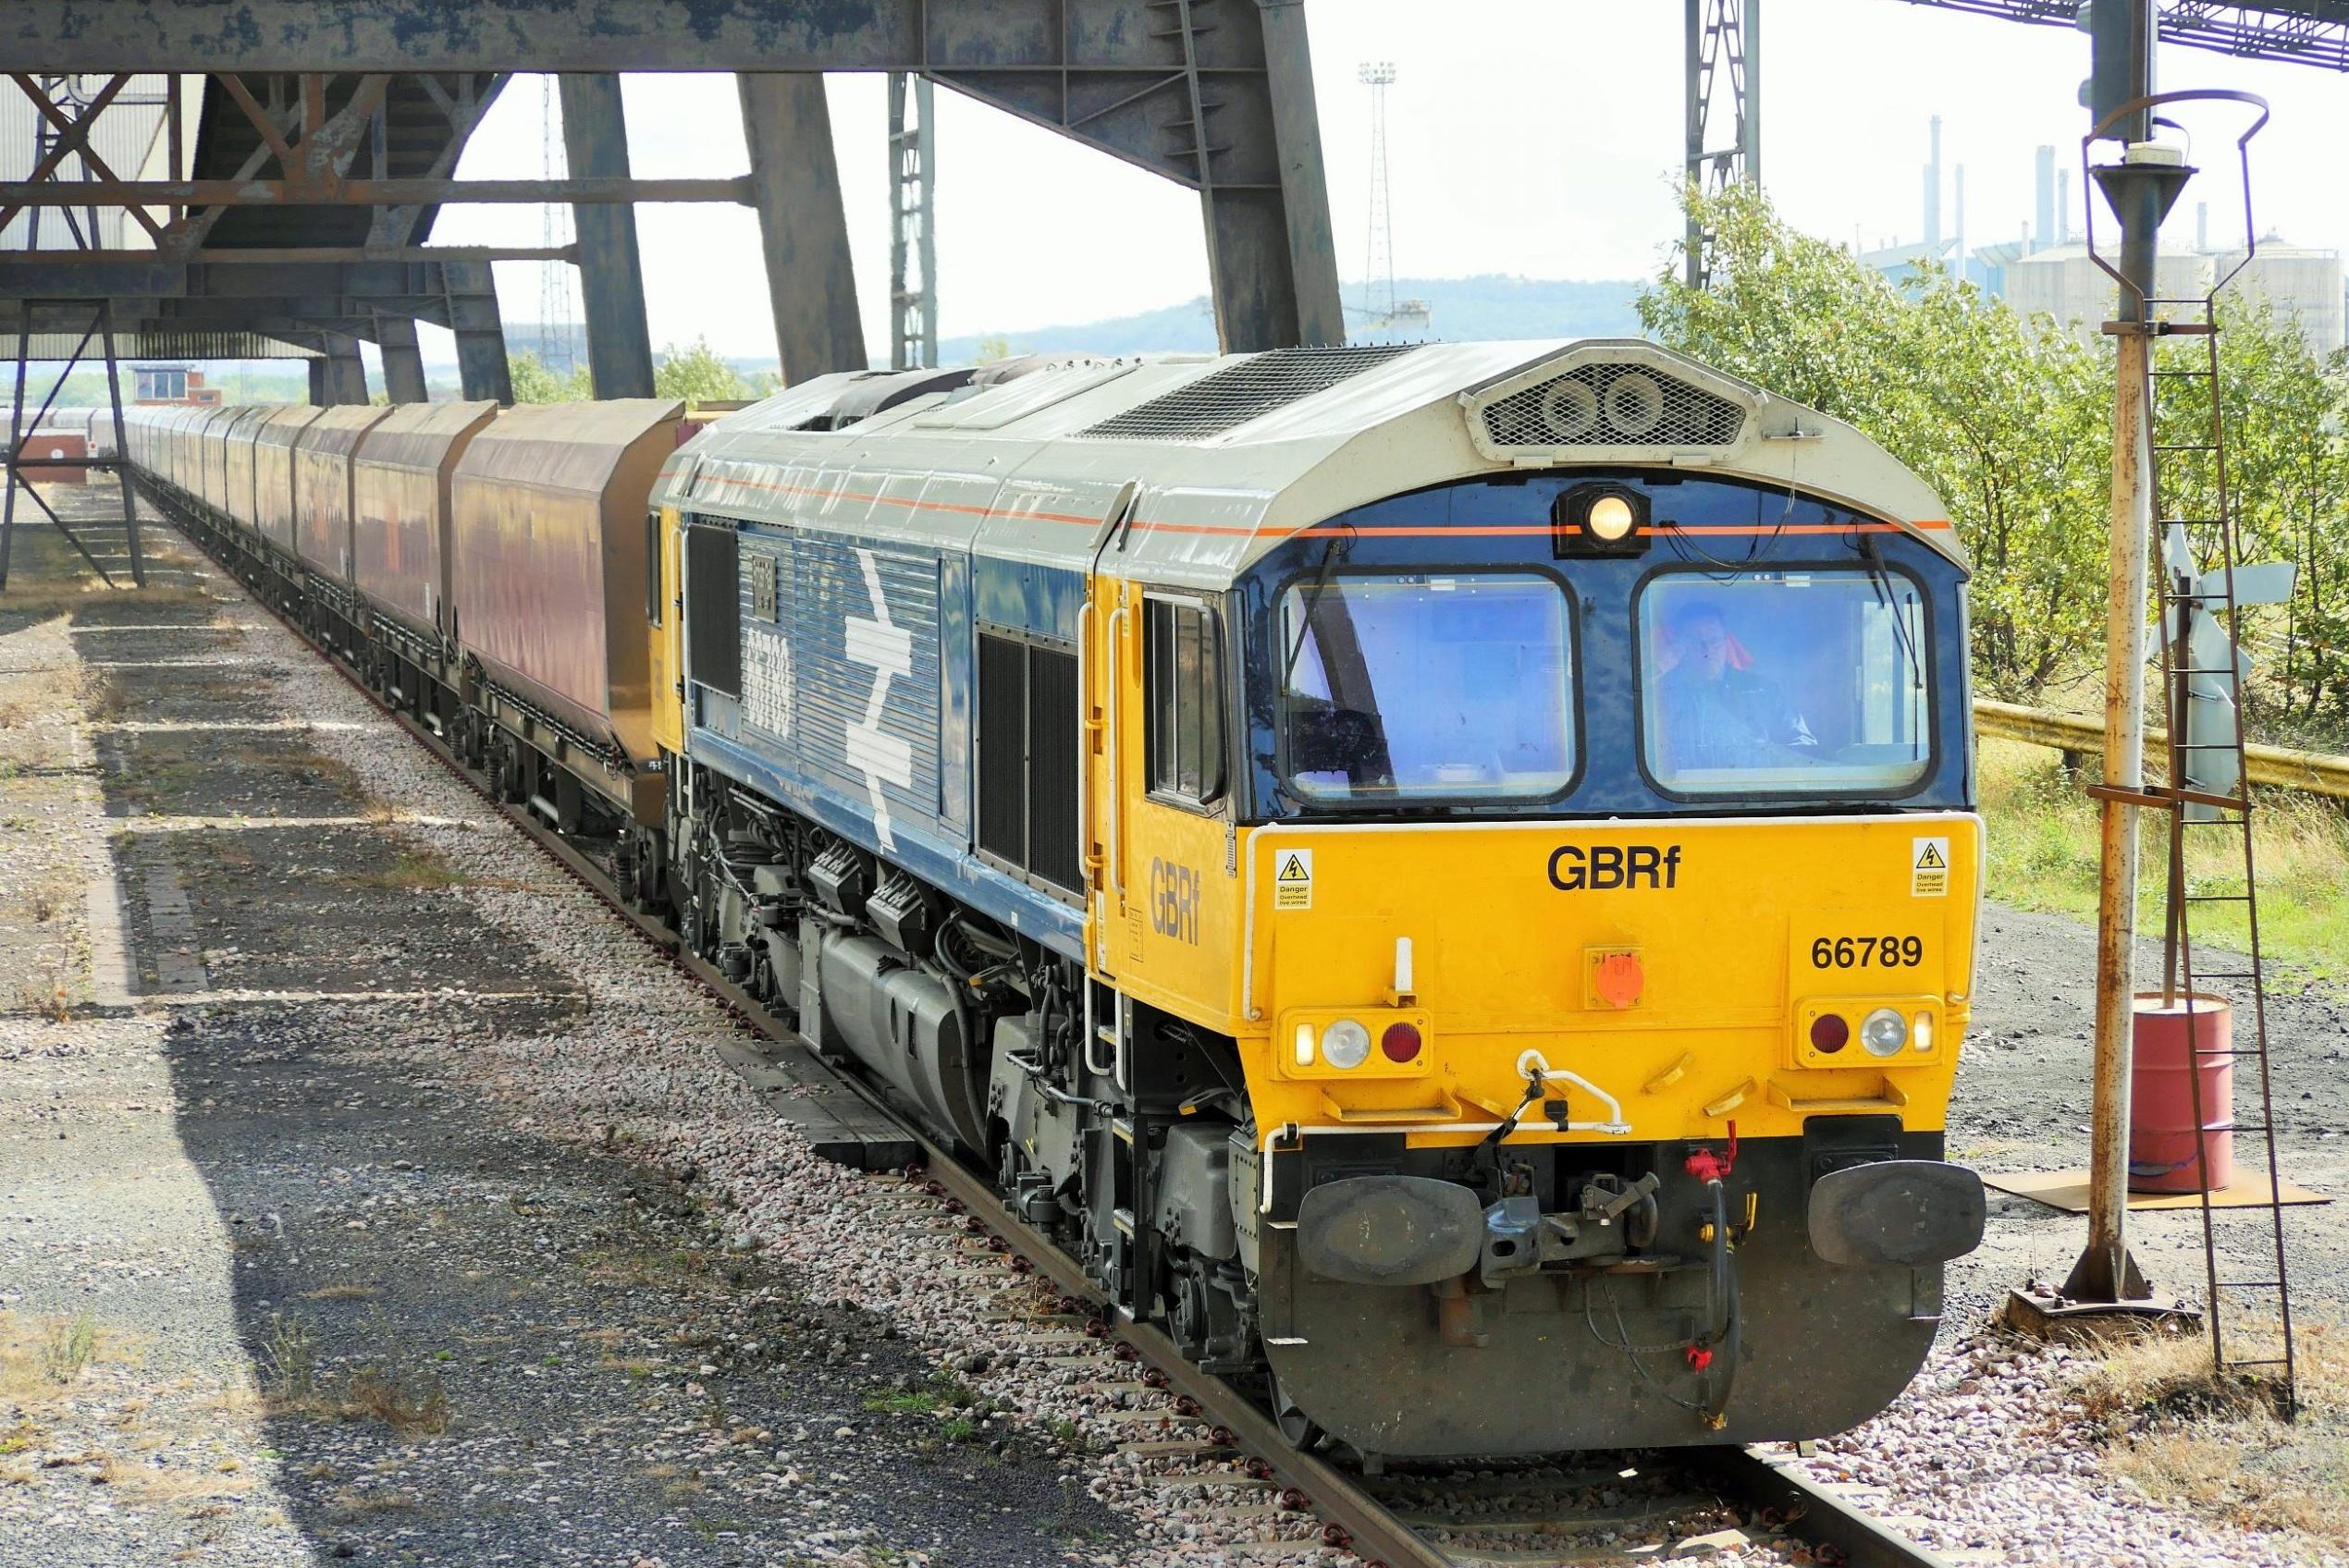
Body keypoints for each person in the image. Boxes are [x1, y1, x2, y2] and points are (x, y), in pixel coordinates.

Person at [1653, 600, 1814, 774]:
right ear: (1679, 646)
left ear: (1726, 641)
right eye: (1695, 641)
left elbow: (1803, 748)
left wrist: (1766, 756)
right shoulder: (1658, 693)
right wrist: (1656, 670)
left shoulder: (1764, 691)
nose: (1707, 649)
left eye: (1714, 641)